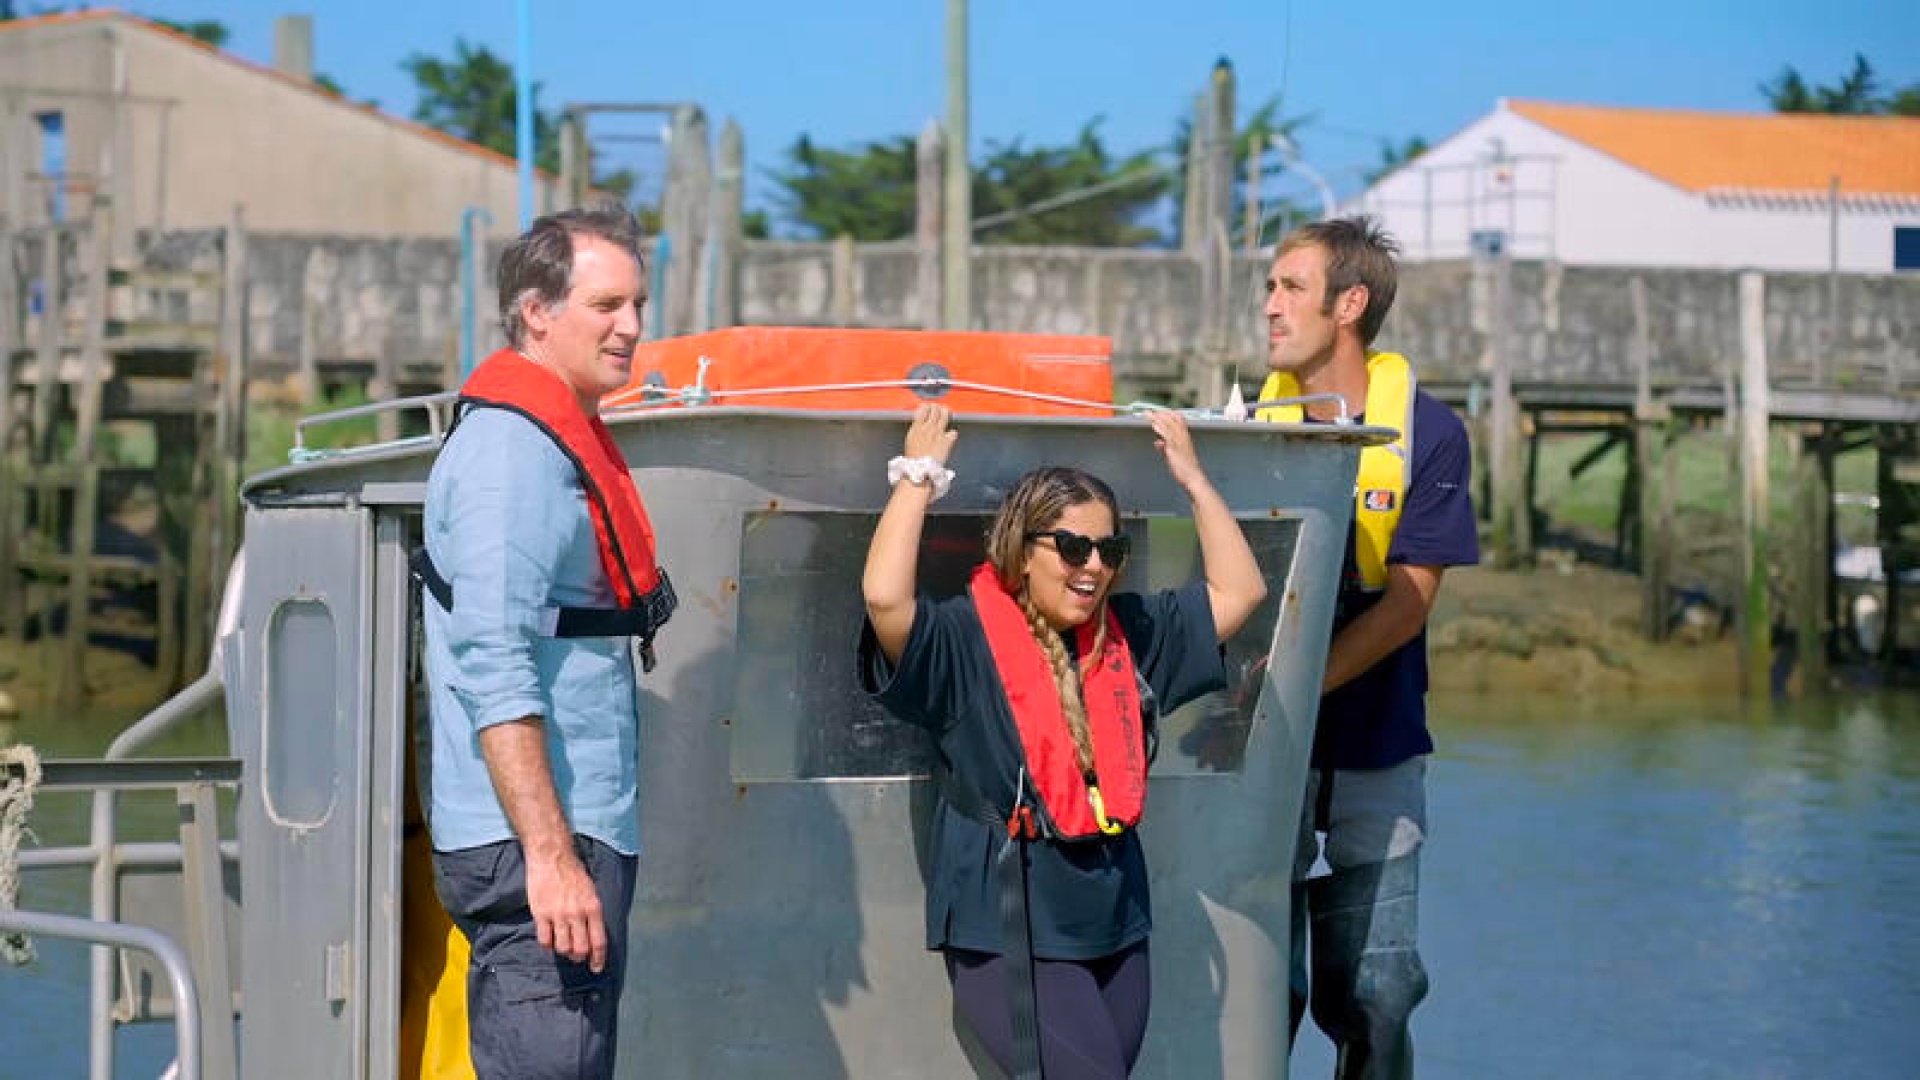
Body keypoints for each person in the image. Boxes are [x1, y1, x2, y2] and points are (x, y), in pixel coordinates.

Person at [859, 404, 1268, 1079]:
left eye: (1110, 550)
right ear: (1023, 550)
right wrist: (917, 476)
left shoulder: (1132, 633)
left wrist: (1193, 480)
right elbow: (884, 601)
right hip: (1008, 931)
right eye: (1073, 547)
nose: (1093, 567)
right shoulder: (964, 642)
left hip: (1116, 925)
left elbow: (1241, 590)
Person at [416, 207, 676, 1080]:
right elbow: (494, 664)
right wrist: (552, 857)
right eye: (607, 304)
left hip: (556, 832)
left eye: (637, 304)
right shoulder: (512, 456)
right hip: (535, 845)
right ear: (537, 312)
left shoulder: (545, 437)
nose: (632, 327)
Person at [1256, 217, 1478, 1079]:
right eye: (1270, 288)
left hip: (1378, 743)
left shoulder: (1433, 434)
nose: (1271, 306)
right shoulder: (1242, 424)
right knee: (1257, 985)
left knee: (1377, 992)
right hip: (1258, 752)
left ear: (1350, 304)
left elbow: (1408, 605)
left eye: (1291, 288)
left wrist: (1299, 691)